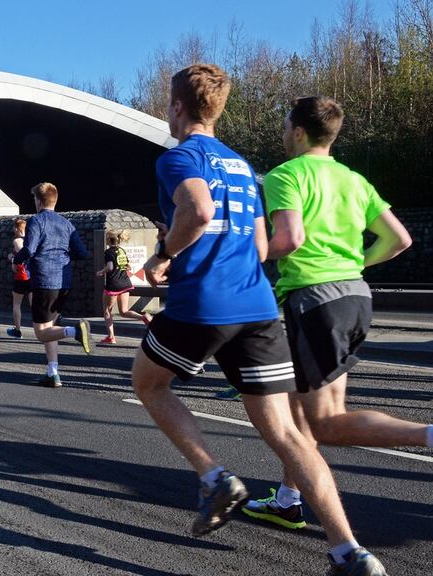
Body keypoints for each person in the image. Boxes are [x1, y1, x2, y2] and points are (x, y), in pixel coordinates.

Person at [132, 64, 387, 575]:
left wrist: (163, 254)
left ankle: (213, 477)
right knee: (289, 436)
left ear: (177, 106)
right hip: (257, 306)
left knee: (148, 383)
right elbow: (262, 244)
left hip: (202, 302)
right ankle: (348, 551)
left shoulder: (180, 157)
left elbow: (199, 211)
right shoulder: (246, 166)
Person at [245, 96, 433, 531]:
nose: (282, 132)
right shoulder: (354, 179)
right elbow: (399, 239)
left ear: (299, 132)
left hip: (314, 301)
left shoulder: (284, 175)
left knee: (326, 421)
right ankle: (290, 498)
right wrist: (354, 263)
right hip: (354, 296)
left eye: (285, 124)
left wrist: (246, 260)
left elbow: (288, 238)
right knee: (302, 403)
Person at [12, 183, 91, 387]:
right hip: (64, 281)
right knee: (50, 327)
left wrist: (15, 260)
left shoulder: (36, 221)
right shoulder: (66, 223)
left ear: (38, 201)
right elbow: (82, 253)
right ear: (54, 200)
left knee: (40, 333)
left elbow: (28, 249)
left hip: (44, 280)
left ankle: (75, 331)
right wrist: (61, 255)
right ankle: (53, 373)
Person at [95, 229, 151, 344]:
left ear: (109, 240)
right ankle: (144, 317)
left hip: (113, 284)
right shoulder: (121, 251)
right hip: (125, 283)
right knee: (124, 311)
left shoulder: (108, 252)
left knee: (107, 311)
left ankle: (111, 337)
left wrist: (101, 272)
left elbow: (110, 267)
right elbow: (129, 267)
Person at [7, 218, 32, 339]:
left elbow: (22, 254)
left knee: (17, 304)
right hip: (33, 275)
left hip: (21, 275)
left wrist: (12, 258)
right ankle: (44, 329)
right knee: (35, 304)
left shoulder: (17, 240)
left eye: (14, 227)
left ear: (17, 229)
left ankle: (18, 330)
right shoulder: (31, 240)